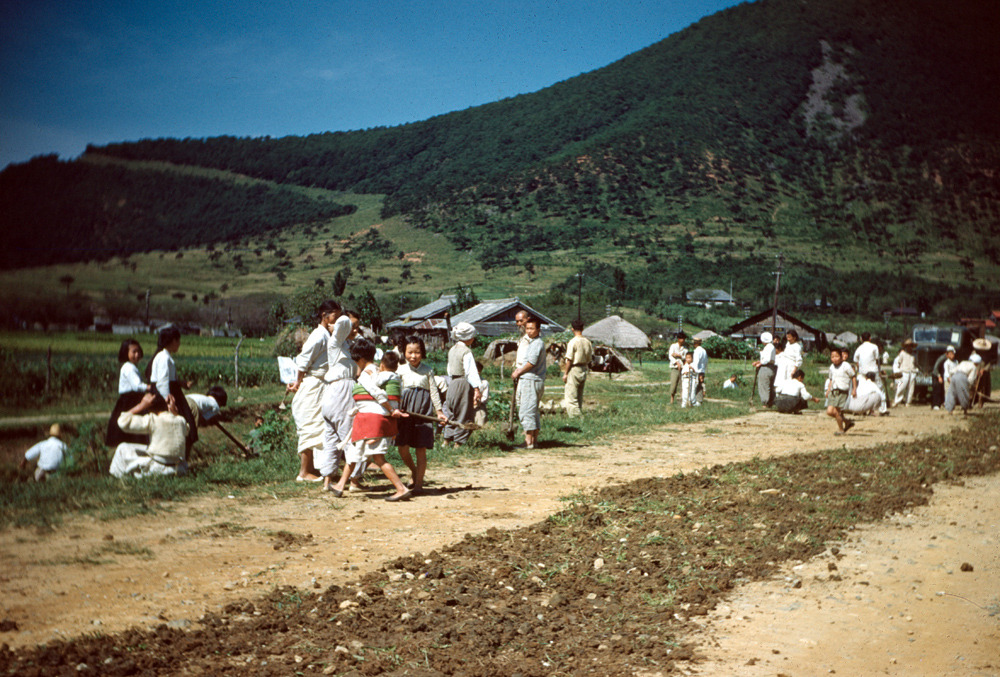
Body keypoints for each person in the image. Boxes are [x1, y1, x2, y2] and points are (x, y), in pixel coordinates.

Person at [327, 338, 410, 501]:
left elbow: (377, 394)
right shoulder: (377, 372)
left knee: (378, 458)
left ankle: (401, 488)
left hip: (372, 420)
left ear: (362, 359)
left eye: (356, 361)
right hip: (367, 419)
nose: (356, 364)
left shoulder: (367, 373)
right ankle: (340, 485)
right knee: (353, 453)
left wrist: (392, 410)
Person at [288, 301, 338, 482]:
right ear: (325, 316)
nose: (337, 319)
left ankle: (315, 468)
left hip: (322, 385)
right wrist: (298, 382)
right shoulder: (318, 335)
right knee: (310, 426)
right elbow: (303, 360)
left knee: (320, 427)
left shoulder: (328, 335)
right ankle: (304, 472)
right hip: (313, 385)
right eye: (335, 315)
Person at [395, 336, 447, 493]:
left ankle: (418, 484)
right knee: (402, 447)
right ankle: (414, 470)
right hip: (405, 413)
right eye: (410, 352)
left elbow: (434, 393)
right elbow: (394, 391)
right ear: (404, 353)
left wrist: (439, 411)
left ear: (422, 352)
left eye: (417, 352)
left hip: (423, 412)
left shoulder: (428, 370)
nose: (413, 356)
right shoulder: (400, 370)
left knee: (420, 449)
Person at [319, 306, 364, 490]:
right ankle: (353, 479)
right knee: (350, 434)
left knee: (331, 437)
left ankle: (328, 479)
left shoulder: (346, 346)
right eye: (353, 327)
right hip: (341, 391)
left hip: (334, 391)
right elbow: (344, 323)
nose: (355, 330)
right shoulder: (335, 343)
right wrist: (341, 321)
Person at [109, 392, 189, 478]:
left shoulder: (153, 419)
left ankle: (118, 478)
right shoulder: (181, 420)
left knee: (122, 447)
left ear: (150, 410)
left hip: (157, 468)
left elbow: (122, 422)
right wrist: (175, 414)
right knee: (149, 448)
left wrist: (141, 405)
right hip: (179, 468)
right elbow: (187, 430)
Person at [147, 326, 198, 451]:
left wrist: (181, 384)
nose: (179, 344)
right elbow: (162, 382)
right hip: (168, 393)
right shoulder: (164, 358)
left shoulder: (165, 356)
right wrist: (168, 401)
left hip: (171, 391)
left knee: (186, 421)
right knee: (184, 422)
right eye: (178, 340)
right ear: (173, 341)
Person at [442, 322, 483, 447]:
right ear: (468, 338)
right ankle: (458, 443)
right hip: (463, 383)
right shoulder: (466, 351)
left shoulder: (452, 350)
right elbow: (471, 371)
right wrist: (476, 388)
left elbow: (449, 369)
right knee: (463, 411)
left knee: (451, 411)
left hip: (452, 382)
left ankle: (446, 440)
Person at [107, 339, 153, 446]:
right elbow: (137, 386)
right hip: (130, 400)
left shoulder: (131, 367)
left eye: (138, 352)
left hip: (130, 398)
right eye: (134, 352)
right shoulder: (129, 368)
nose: (137, 355)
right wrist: (150, 387)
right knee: (131, 422)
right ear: (125, 353)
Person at [511, 316, 546, 449]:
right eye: (527, 328)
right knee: (532, 410)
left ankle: (528, 442)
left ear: (538, 329)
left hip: (531, 379)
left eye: (532, 328)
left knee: (526, 410)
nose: (529, 331)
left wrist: (518, 372)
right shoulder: (532, 342)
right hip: (532, 380)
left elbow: (531, 363)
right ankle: (534, 440)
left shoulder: (537, 343)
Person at [562, 319, 594, 417]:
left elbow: (569, 360)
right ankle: (579, 412)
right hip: (584, 368)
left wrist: (566, 373)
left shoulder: (573, 342)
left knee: (571, 396)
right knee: (579, 395)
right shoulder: (587, 342)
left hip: (574, 368)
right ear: (582, 328)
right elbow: (590, 358)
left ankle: (575, 417)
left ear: (572, 329)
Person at [854, 332, 887, 415]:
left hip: (863, 373)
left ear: (861, 339)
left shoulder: (859, 348)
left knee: (863, 391)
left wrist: (859, 371)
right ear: (870, 338)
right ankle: (882, 409)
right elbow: (877, 360)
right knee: (879, 389)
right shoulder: (874, 347)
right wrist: (879, 371)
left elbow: (856, 362)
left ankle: (862, 409)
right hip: (873, 371)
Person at [825, 350, 857, 434]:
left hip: (842, 391)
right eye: (832, 357)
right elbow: (831, 379)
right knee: (830, 411)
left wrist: (854, 389)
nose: (834, 359)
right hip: (833, 391)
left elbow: (853, 377)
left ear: (841, 357)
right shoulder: (832, 367)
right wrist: (828, 390)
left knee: (837, 411)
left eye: (836, 356)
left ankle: (841, 429)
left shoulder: (846, 365)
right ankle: (847, 422)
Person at [891, 339, 919, 407]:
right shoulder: (902, 353)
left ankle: (908, 402)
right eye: (908, 346)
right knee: (901, 387)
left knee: (911, 388)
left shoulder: (914, 354)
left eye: (910, 346)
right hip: (904, 372)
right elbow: (899, 363)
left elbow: (916, 363)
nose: (909, 347)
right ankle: (897, 401)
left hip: (912, 372)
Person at [752, 331, 776, 407]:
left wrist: (760, 363)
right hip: (771, 367)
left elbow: (767, 360)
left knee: (763, 385)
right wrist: (759, 362)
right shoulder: (771, 347)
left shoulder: (768, 347)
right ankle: (770, 402)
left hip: (766, 368)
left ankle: (765, 403)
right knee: (770, 386)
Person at [932, 345, 958, 410]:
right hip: (937, 374)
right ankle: (935, 404)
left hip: (945, 376)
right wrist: (939, 376)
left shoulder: (954, 361)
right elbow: (935, 368)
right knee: (937, 388)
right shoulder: (942, 358)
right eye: (950, 353)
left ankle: (943, 403)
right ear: (946, 353)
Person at [667, 332, 688, 405]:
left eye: (684, 339)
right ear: (678, 339)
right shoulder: (673, 346)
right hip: (675, 367)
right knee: (673, 383)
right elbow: (670, 356)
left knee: (682, 385)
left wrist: (679, 355)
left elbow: (686, 358)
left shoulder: (685, 349)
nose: (683, 340)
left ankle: (682, 399)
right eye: (682, 339)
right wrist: (676, 362)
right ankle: (672, 399)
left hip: (682, 368)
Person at [691, 337, 708, 405]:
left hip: (697, 371)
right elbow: (706, 361)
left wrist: (693, 369)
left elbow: (696, 362)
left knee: (695, 387)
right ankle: (699, 401)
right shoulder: (704, 351)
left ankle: (694, 401)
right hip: (702, 370)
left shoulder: (697, 351)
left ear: (695, 343)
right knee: (700, 386)